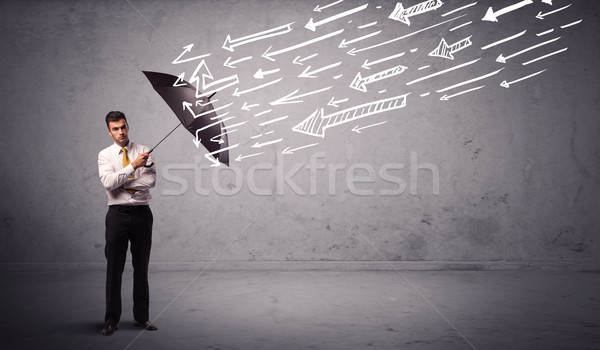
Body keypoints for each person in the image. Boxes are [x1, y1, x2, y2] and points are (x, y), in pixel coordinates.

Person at [97, 111, 158, 336]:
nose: (121, 132)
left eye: (123, 127)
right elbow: (108, 182)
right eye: (115, 128)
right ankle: (111, 321)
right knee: (115, 268)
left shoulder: (144, 150)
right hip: (117, 216)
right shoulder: (105, 155)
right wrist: (133, 166)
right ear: (109, 131)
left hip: (142, 214)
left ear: (128, 126)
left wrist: (123, 181)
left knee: (141, 267)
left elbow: (151, 181)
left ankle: (141, 318)